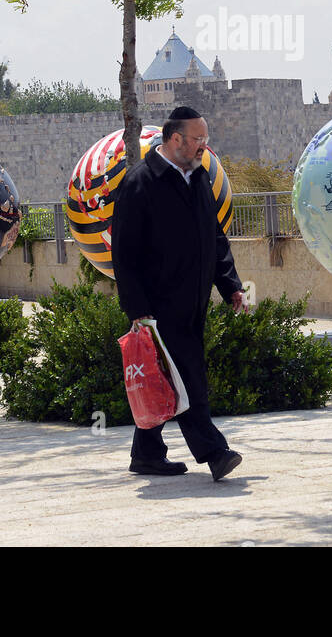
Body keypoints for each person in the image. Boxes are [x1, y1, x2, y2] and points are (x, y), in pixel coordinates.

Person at [110, 106, 248, 481]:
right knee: (187, 376)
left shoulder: (198, 178)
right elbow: (123, 253)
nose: (204, 145)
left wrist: (231, 285)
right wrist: (137, 308)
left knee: (165, 376)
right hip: (156, 306)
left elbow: (214, 237)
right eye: (198, 139)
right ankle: (215, 453)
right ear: (175, 140)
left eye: (205, 138)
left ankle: (147, 453)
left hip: (193, 301)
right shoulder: (140, 183)